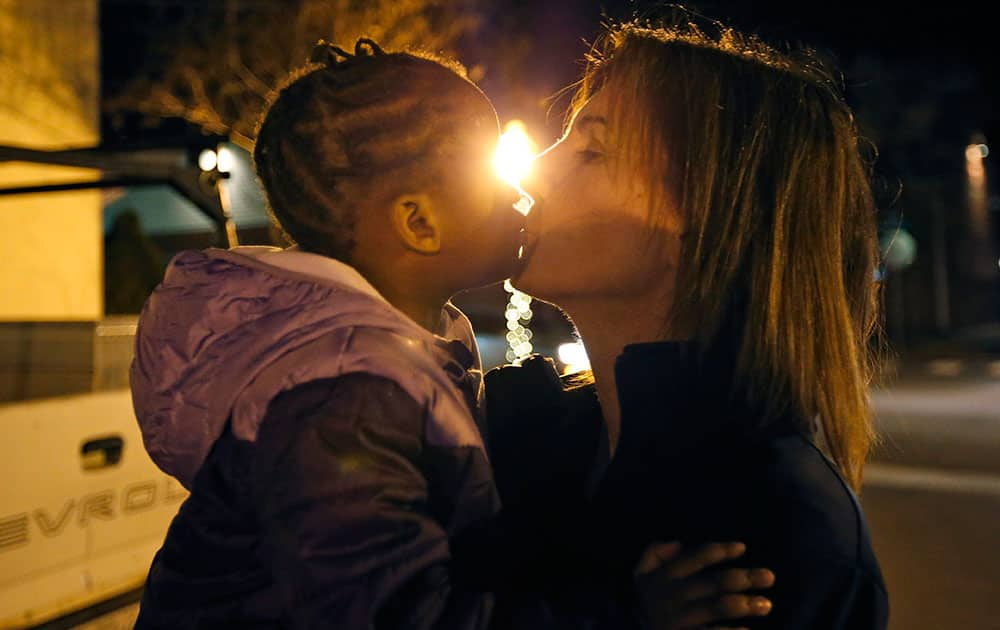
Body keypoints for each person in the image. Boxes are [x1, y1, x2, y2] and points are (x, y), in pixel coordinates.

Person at [130, 39, 773, 629]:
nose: (520, 192)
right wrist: (623, 617)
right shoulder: (342, 398)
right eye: (490, 179)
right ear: (419, 223)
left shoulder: (389, 357)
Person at [493, 13, 889, 629]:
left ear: (705, 216)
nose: (532, 169)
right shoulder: (535, 437)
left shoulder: (766, 522)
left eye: (590, 150)